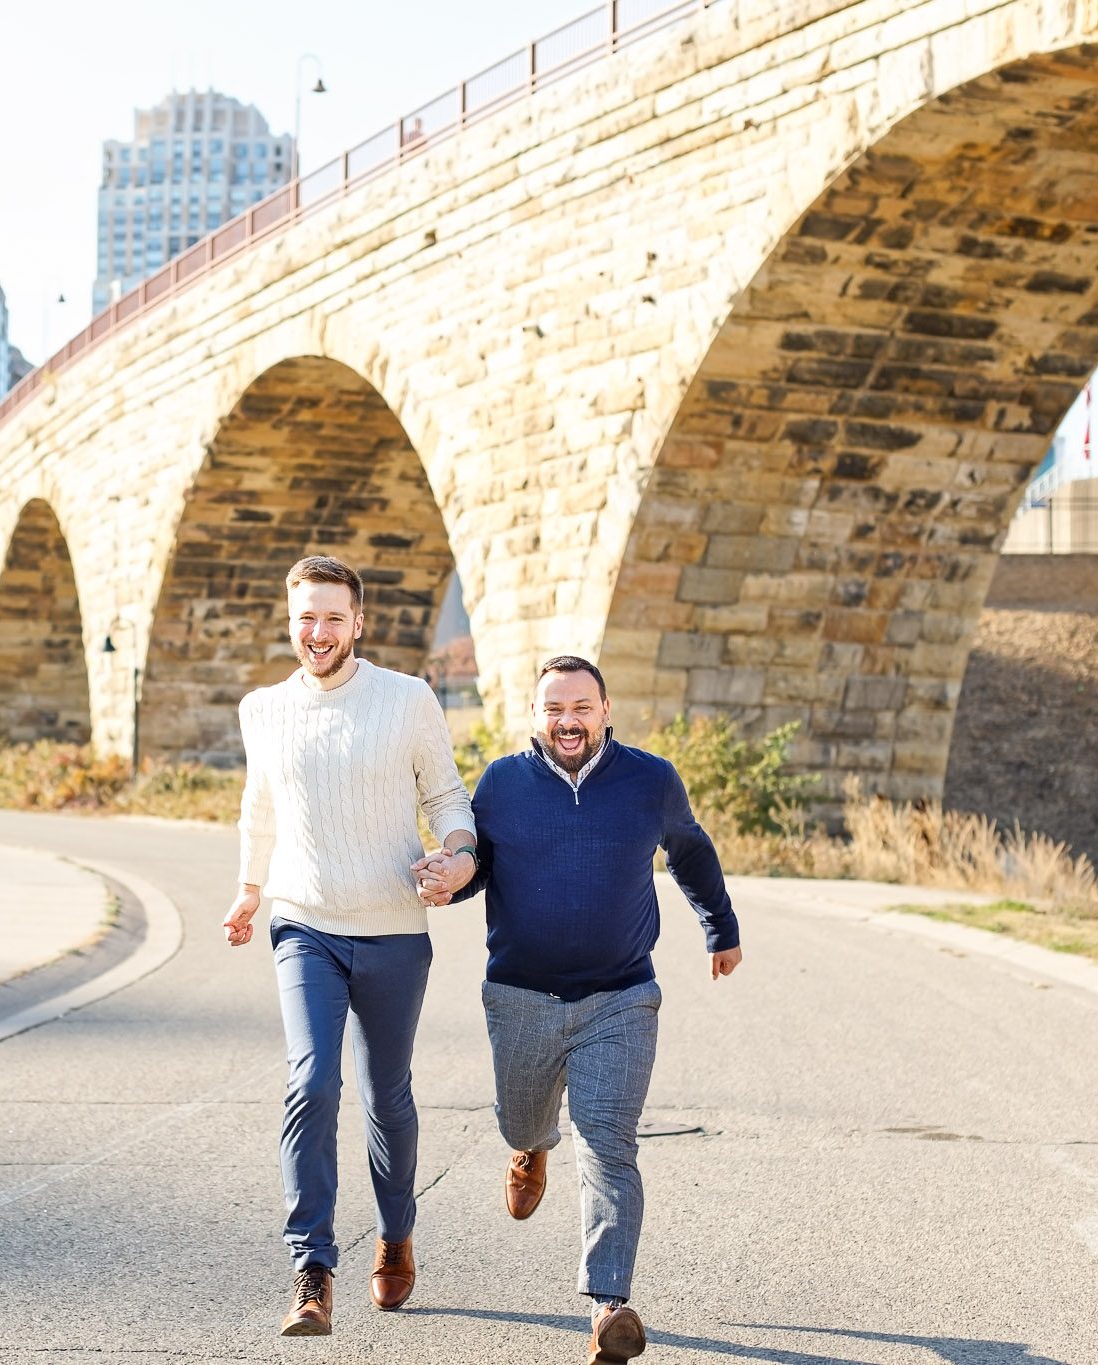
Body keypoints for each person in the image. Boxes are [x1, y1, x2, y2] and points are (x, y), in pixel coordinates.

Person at [416, 655, 741, 1364]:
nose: (568, 720)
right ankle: (529, 1147)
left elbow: (690, 850)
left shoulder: (650, 779)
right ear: (535, 716)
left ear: (605, 709)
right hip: (520, 995)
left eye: (582, 706)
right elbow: (481, 870)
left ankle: (609, 1304)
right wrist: (449, 880)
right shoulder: (502, 782)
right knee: (522, 1117)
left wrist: (721, 926)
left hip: (620, 994)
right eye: (554, 708)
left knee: (608, 1139)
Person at [222, 555, 479, 1337]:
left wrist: (457, 853)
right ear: (290, 618)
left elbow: (446, 796)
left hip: (396, 928)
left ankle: (396, 1234)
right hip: (306, 924)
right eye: (307, 616)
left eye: (334, 617)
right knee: (311, 1082)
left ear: (357, 623)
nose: (319, 632)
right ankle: (313, 1267)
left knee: (387, 1096)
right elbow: (258, 809)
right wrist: (248, 887)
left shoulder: (406, 699)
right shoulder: (262, 708)